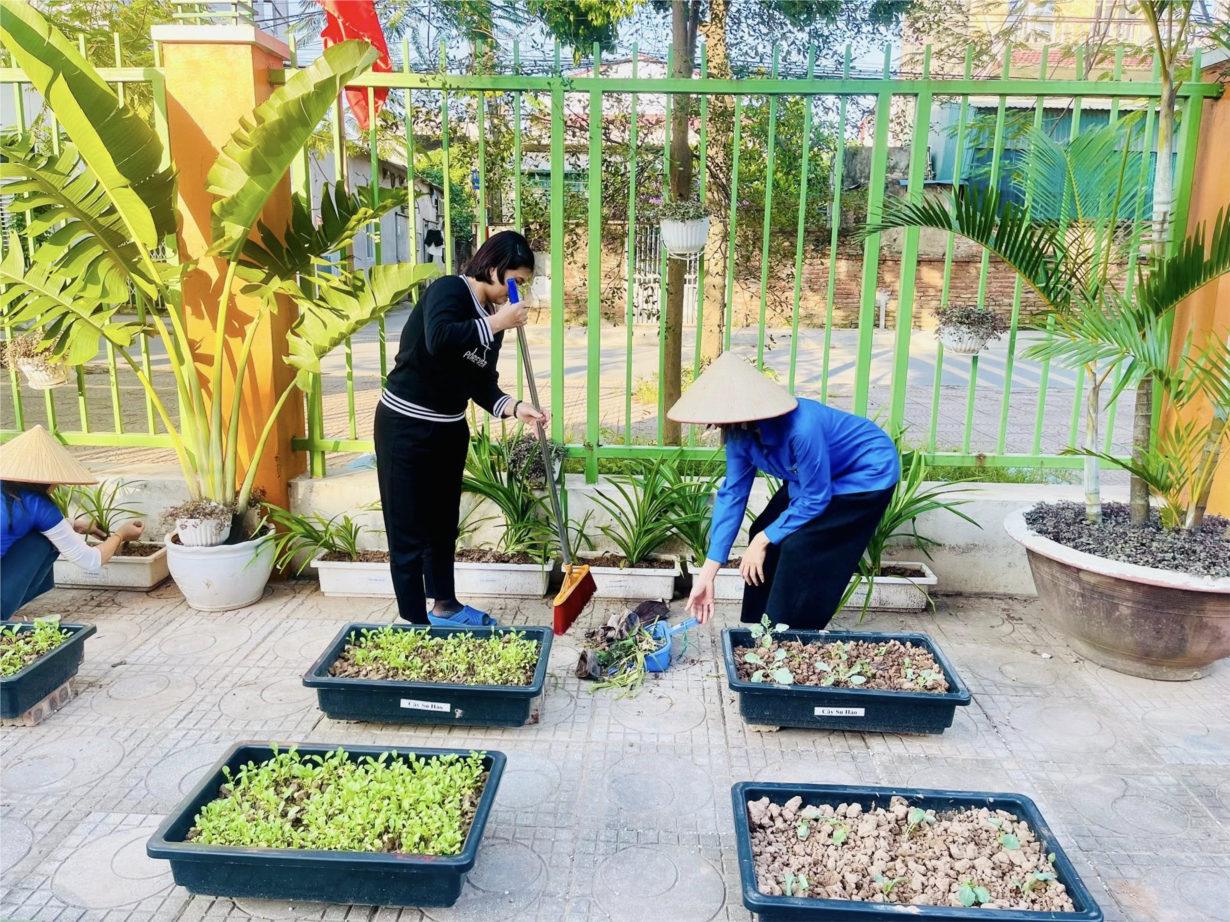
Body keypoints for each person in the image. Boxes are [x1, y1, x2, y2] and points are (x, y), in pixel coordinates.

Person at [375, 230, 548, 626]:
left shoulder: (493, 321)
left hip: (449, 431)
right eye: (515, 282)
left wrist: (515, 407)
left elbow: (481, 384)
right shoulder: (449, 290)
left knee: (442, 525)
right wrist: (497, 321)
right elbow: (438, 339)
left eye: (521, 285)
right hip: (405, 426)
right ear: (494, 268)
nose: (515, 293)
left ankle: (445, 605)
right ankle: (415, 623)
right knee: (406, 529)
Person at [674, 353, 900, 630]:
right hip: (816, 478)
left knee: (800, 545)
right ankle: (761, 626)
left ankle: (792, 633)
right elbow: (733, 494)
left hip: (865, 474)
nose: (717, 425)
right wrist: (707, 576)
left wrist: (762, 541)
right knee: (763, 528)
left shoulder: (802, 428)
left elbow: (815, 499)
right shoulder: (738, 433)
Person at [0, 426, 145, 620]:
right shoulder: (36, 504)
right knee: (43, 540)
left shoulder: (12, 496)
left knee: (38, 532)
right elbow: (91, 560)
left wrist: (72, 523)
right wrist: (121, 534)